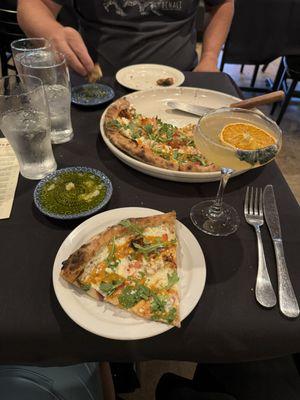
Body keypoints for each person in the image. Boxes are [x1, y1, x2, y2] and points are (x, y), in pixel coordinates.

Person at [17, 0, 234, 77]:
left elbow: (222, 4)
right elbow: (32, 4)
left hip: (182, 80)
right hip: (100, 84)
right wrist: (53, 33)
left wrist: (209, 57)